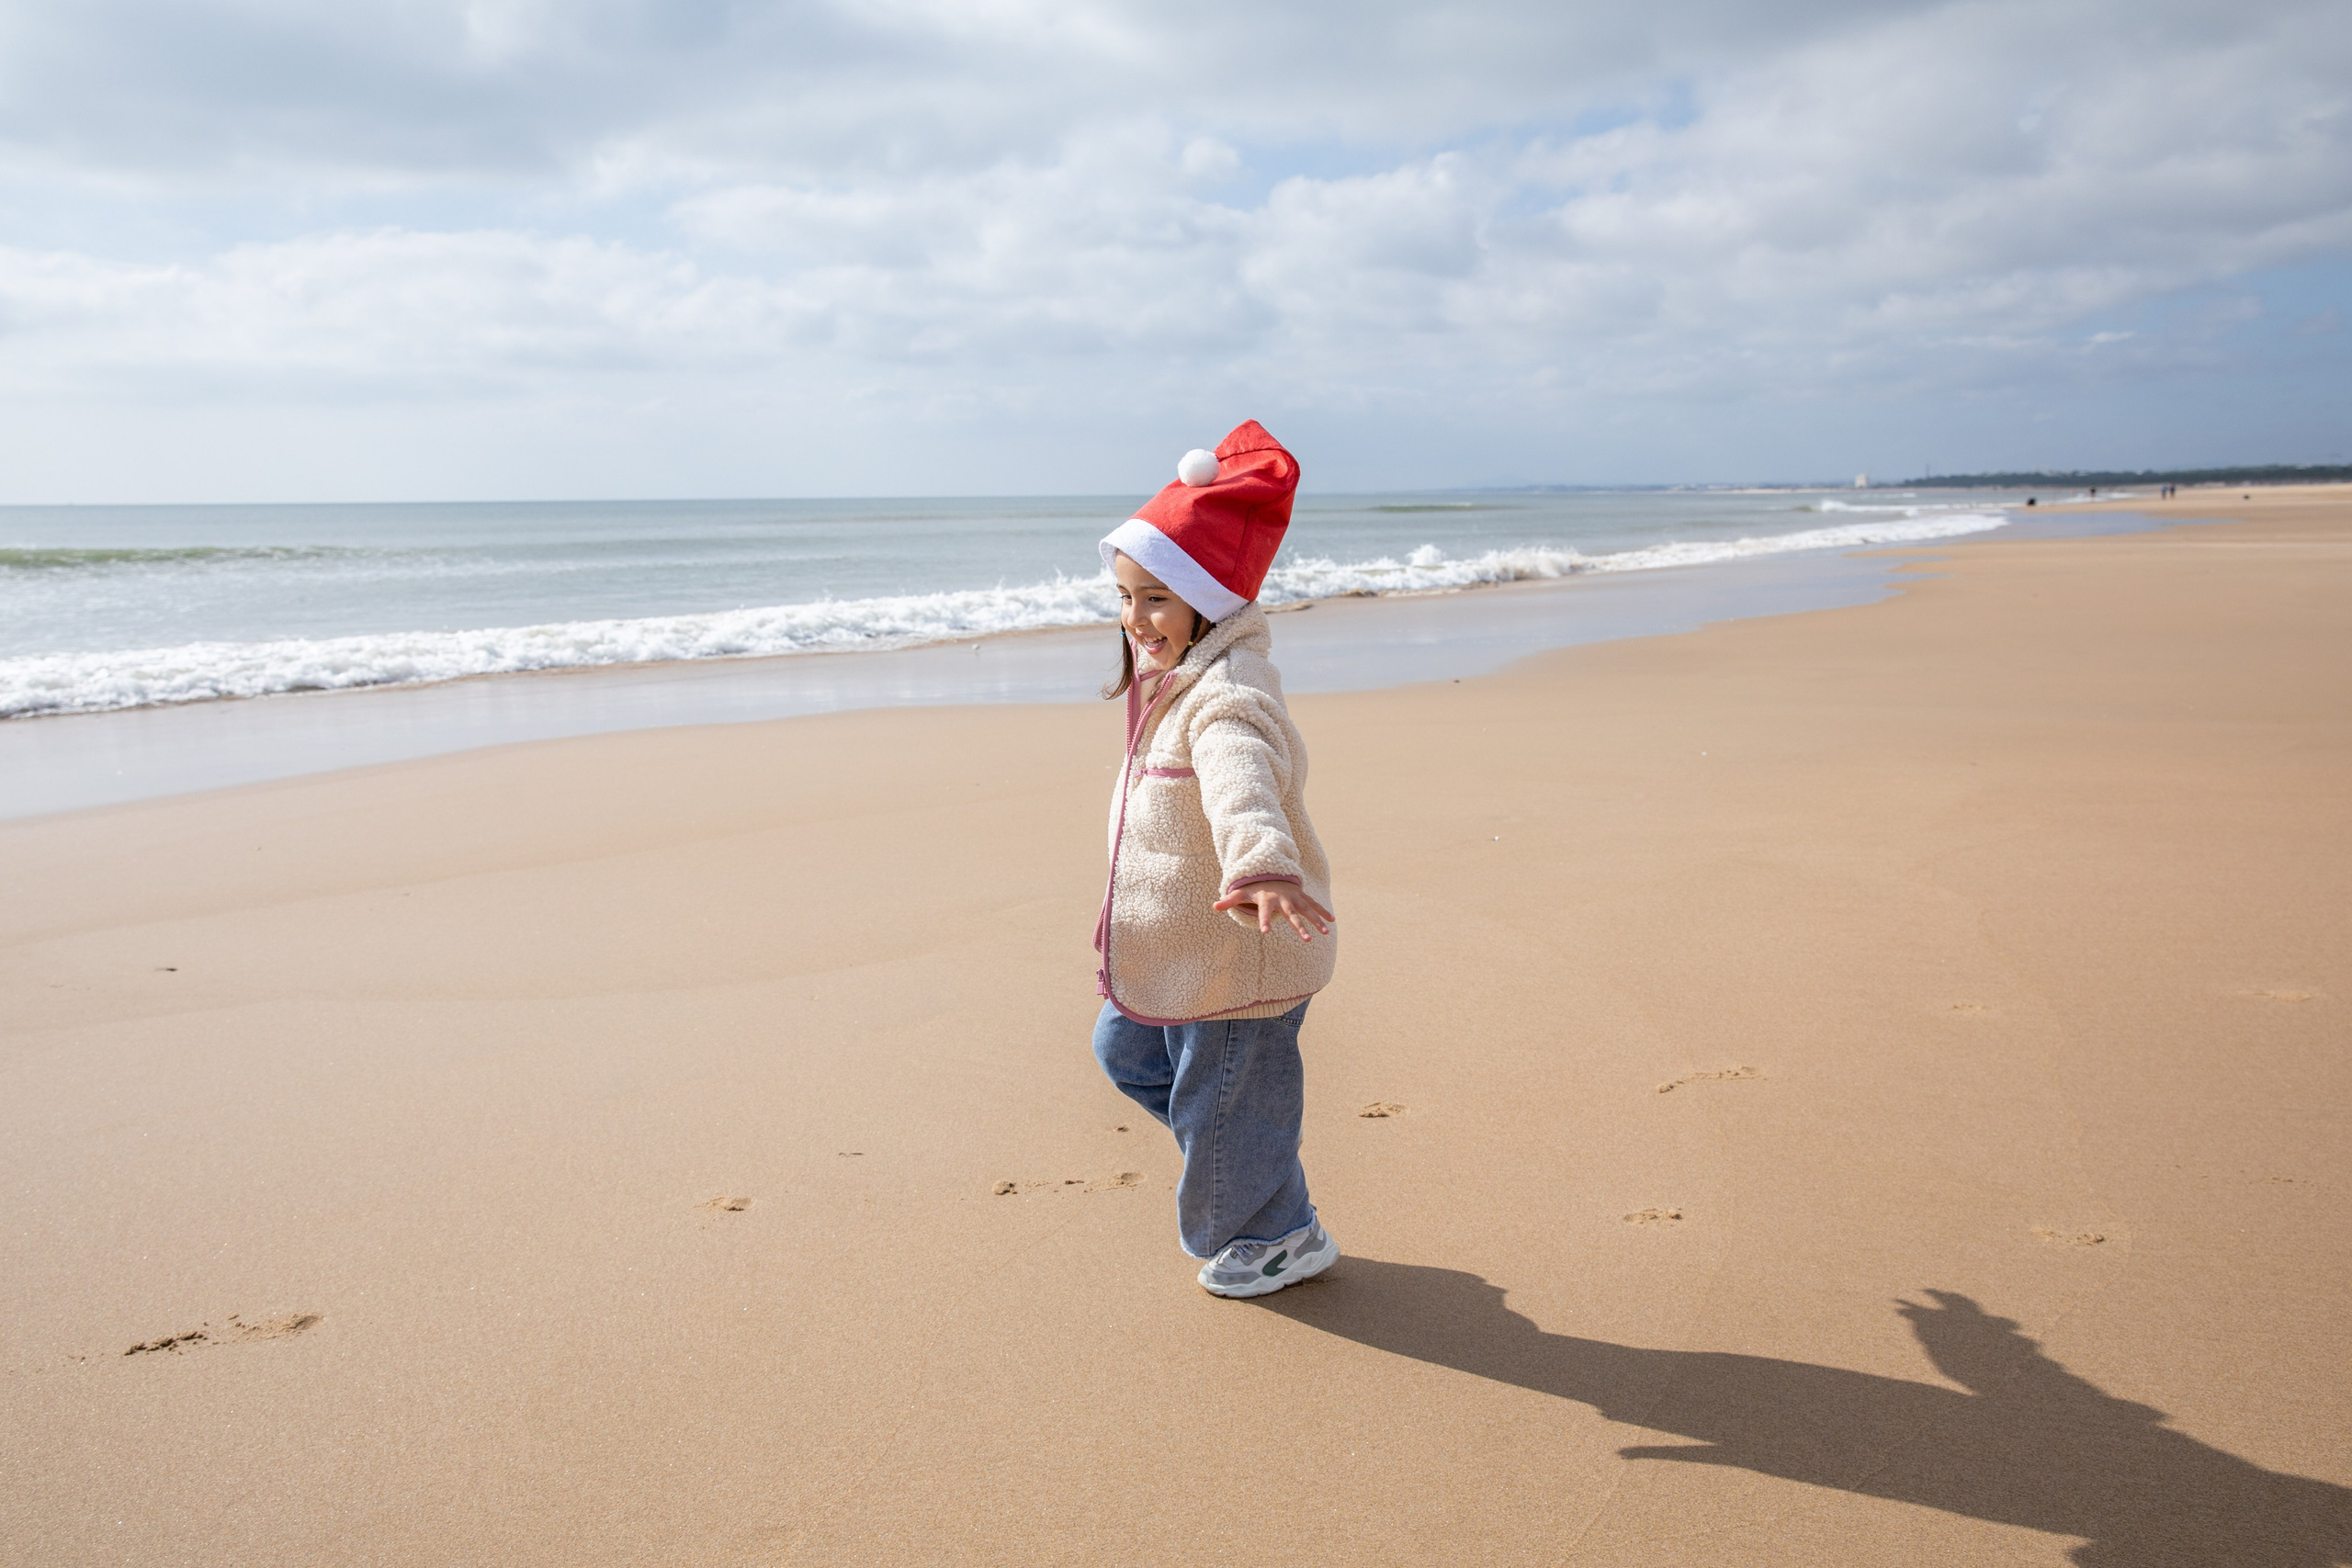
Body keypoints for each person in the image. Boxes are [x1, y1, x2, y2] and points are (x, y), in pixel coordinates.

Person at [1090, 420, 1341, 1299]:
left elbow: (1244, 784)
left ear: (1209, 601)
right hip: (1185, 949)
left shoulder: (1227, 694)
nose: (1135, 618)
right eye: (1124, 596)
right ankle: (1255, 1161)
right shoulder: (1178, 683)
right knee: (1127, 1052)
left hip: (1242, 946)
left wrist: (1264, 862)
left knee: (1222, 1099)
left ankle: (1279, 1233)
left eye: (1157, 597)